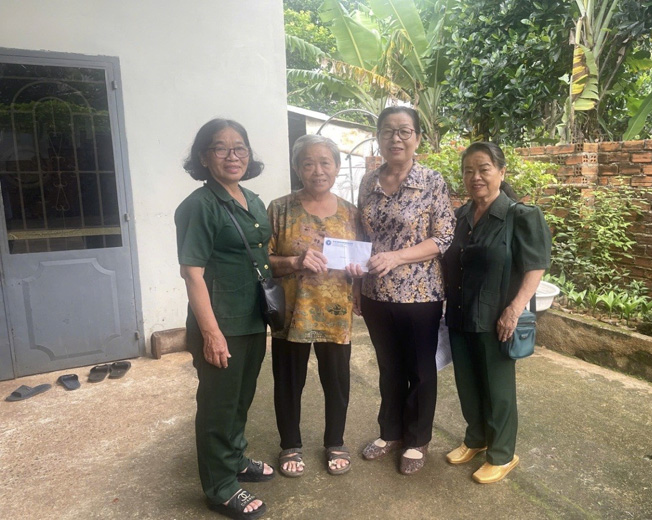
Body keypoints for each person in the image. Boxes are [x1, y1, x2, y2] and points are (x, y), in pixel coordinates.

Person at [175, 119, 274, 520]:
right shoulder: (198, 206)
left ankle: (234, 459)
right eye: (221, 148)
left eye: (240, 148)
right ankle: (219, 487)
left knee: (241, 398)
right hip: (220, 323)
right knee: (218, 405)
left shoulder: (252, 199)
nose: (233, 156)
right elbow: (191, 273)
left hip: (251, 317)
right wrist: (211, 334)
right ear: (204, 157)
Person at [442, 142, 551, 484]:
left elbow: (536, 266)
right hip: (460, 313)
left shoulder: (521, 215)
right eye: (468, 170)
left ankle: (502, 454)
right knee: (467, 382)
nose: (475, 177)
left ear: (501, 173)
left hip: (496, 318)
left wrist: (514, 310)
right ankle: (476, 438)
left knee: (497, 388)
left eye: (484, 169)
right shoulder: (459, 216)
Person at [357, 106, 455, 475]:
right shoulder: (369, 181)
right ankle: (390, 432)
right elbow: (361, 236)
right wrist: (357, 284)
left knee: (421, 369)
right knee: (388, 366)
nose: (395, 138)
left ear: (417, 138)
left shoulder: (431, 181)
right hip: (375, 293)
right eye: (387, 130)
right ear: (378, 136)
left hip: (420, 294)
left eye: (404, 131)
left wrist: (397, 257)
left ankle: (417, 439)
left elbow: (443, 237)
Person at [267, 134, 361, 477]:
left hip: (336, 314)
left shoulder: (351, 213)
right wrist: (295, 261)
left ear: (336, 167)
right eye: (308, 163)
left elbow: (362, 258)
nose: (317, 171)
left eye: (325, 163)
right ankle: (290, 444)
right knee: (288, 382)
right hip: (292, 313)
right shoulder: (279, 209)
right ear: (297, 168)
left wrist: (358, 273)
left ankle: (335, 441)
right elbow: (263, 261)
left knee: (337, 382)